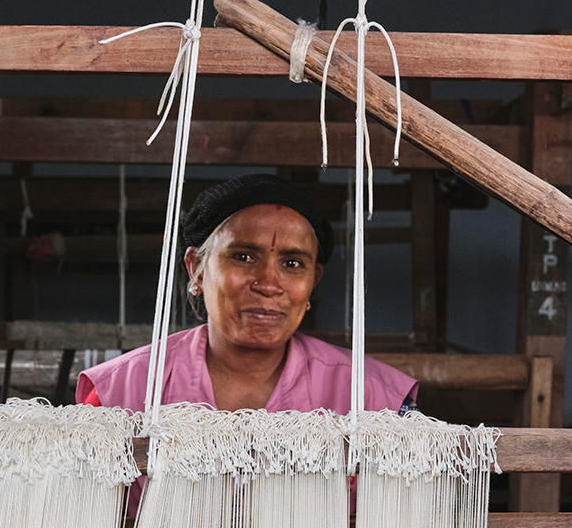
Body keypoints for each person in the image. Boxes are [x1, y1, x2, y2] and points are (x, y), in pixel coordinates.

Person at [77, 174, 418, 417]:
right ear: (196, 267)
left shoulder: (375, 400)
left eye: (293, 263)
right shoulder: (118, 395)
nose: (268, 284)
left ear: (313, 281)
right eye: (243, 257)